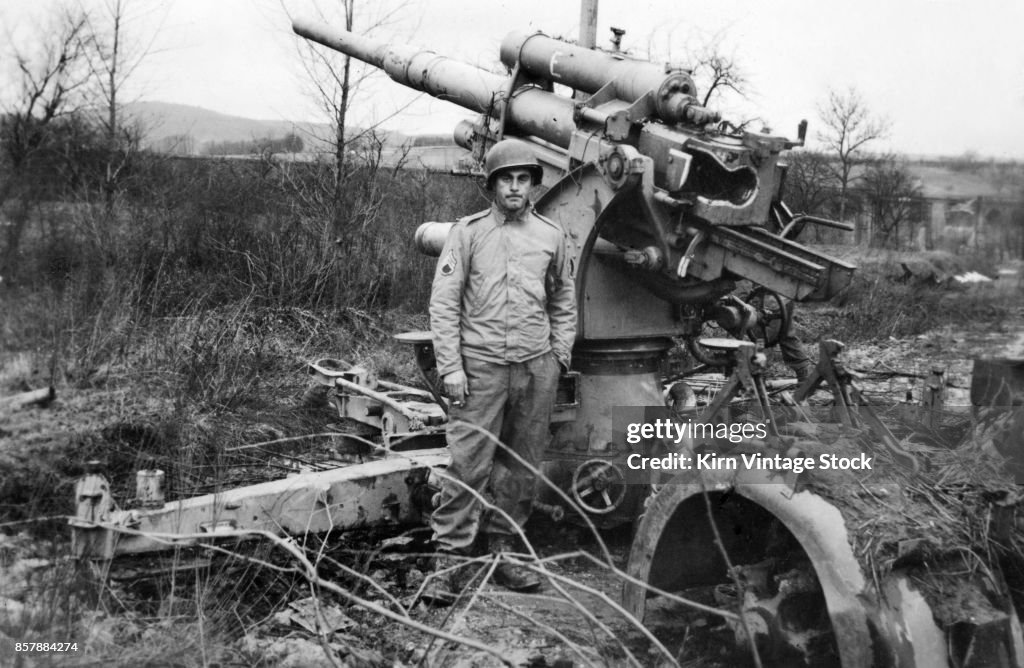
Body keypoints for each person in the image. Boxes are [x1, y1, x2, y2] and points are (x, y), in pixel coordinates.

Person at [425, 138, 577, 601]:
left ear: (533, 185)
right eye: (506, 179)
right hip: (480, 370)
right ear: (491, 186)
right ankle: (449, 558)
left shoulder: (551, 235)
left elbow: (563, 299)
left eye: (523, 179)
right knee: (468, 464)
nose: (515, 187)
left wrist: (558, 356)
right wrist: (451, 367)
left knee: (521, 465)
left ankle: (505, 550)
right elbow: (444, 304)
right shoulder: (467, 233)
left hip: (535, 369)